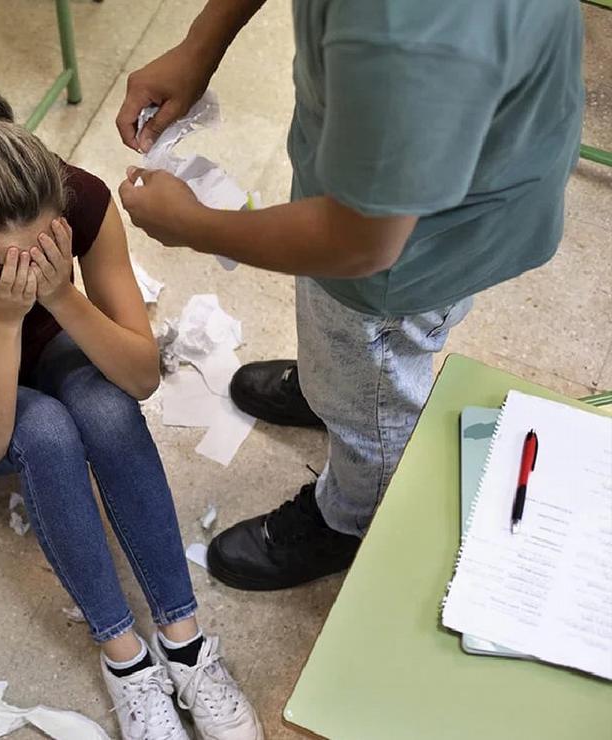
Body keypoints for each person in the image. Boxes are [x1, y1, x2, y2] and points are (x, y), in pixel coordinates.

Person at [116, 0, 583, 590]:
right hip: (393, 192)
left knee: (374, 384)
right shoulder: (398, 41)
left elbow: (360, 243)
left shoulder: (409, 28)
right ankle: (334, 384)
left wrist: (194, 226)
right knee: (343, 348)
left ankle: (353, 515)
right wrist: (200, 44)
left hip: (414, 248)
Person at [0, 83, 263, 740]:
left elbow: (140, 376)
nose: (23, 272)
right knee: (45, 431)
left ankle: (185, 640)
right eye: (0, 263)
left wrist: (60, 297)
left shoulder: (79, 196)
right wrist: (2, 318)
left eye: (41, 251)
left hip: (47, 346)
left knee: (104, 405)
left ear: (58, 210)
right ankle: (124, 658)